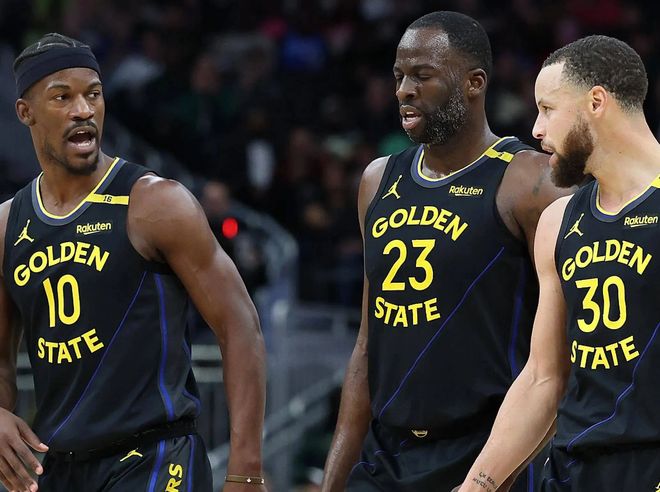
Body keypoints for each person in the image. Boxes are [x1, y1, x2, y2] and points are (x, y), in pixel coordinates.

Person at [0, 33, 268, 492]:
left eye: (93, 94)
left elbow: (239, 325)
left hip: (154, 457)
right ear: (25, 112)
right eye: (62, 97)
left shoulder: (155, 202)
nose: (83, 110)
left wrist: (246, 468)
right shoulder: (8, 225)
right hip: (62, 467)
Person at [321, 11, 574, 492]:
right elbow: (367, 347)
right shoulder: (378, 180)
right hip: (386, 457)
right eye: (399, 76)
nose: (404, 90)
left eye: (422, 75)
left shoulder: (531, 182)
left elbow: (564, 358)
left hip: (488, 454)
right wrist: (332, 484)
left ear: (474, 83)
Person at [458, 35, 660, 492]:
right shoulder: (558, 221)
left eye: (548, 109)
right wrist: (478, 485)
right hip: (570, 471)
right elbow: (542, 378)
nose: (536, 129)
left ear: (596, 102)